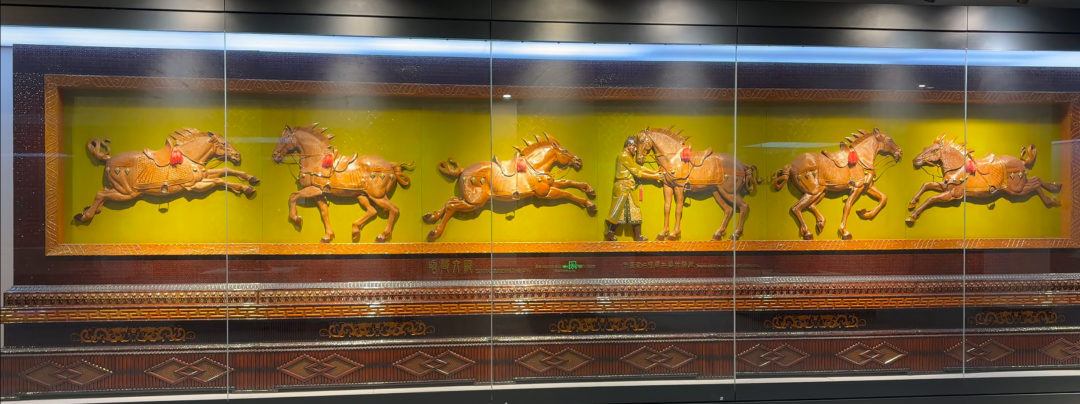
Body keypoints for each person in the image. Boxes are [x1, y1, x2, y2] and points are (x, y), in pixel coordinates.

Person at [605, 136, 661, 241]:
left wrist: (654, 172)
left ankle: (635, 235)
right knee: (621, 211)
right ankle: (612, 232)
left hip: (627, 187)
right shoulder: (623, 155)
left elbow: (638, 167)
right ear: (628, 145)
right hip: (624, 187)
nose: (635, 149)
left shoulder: (627, 156)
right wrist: (655, 177)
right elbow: (637, 172)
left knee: (630, 211)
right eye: (634, 147)